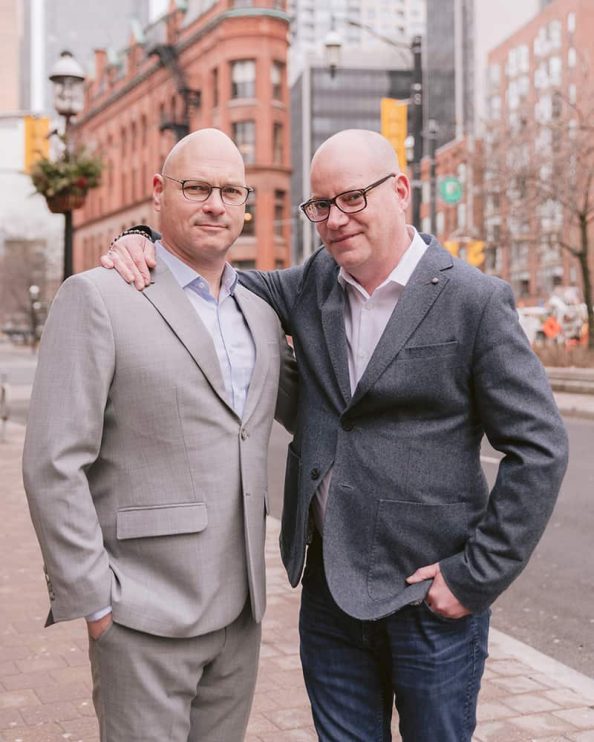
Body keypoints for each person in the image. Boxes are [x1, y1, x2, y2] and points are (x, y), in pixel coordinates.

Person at [103, 129, 568, 742]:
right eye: (320, 206)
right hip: (330, 591)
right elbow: (214, 276)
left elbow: (540, 449)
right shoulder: (311, 285)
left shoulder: (473, 300)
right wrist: (140, 240)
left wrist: (476, 575)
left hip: (429, 593)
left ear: (400, 191)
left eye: (352, 198)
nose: (335, 219)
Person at [23, 128, 296, 742]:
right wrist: (94, 601)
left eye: (231, 190)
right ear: (158, 193)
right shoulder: (99, 297)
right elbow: (52, 462)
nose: (215, 204)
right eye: (196, 187)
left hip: (241, 614)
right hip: (140, 613)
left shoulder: (260, 311)